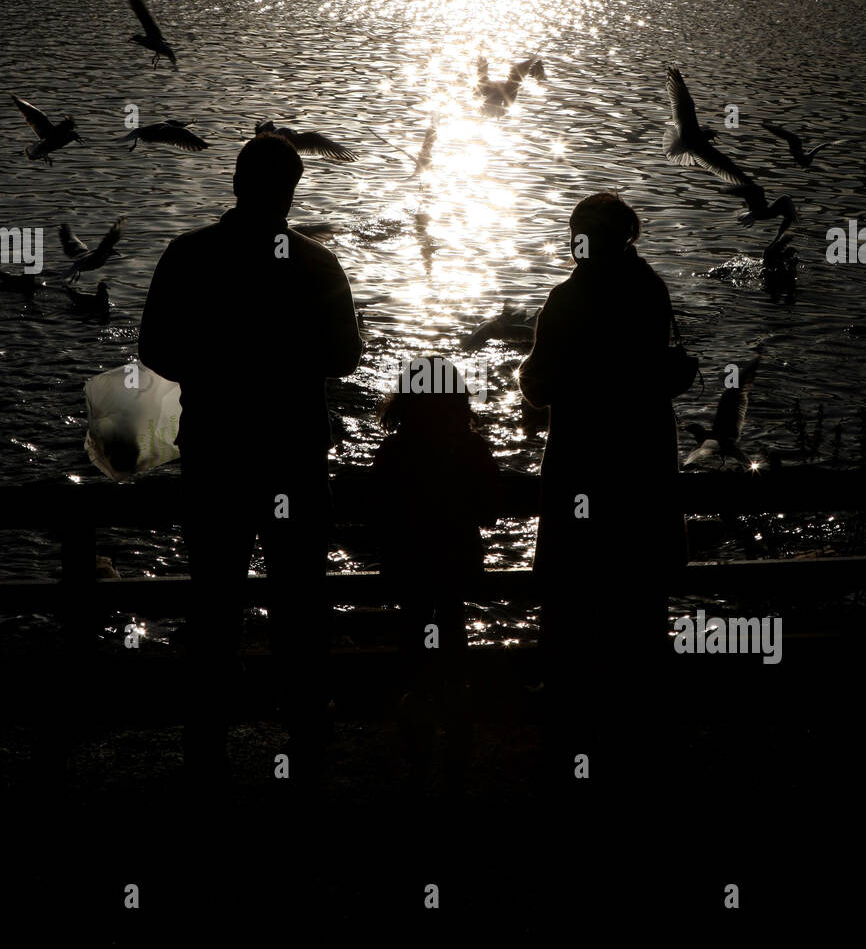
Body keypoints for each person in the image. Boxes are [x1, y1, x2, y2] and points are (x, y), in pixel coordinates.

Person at [139, 133, 362, 784]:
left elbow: (156, 347)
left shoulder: (188, 255)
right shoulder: (317, 265)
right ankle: (306, 729)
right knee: (300, 595)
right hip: (292, 452)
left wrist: (212, 373)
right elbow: (345, 358)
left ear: (236, 184)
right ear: (293, 189)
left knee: (213, 598)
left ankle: (205, 739)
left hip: (217, 451)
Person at [518, 193, 686, 761]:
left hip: (584, 462)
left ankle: (570, 709)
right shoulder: (651, 290)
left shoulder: (568, 299)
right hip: (640, 462)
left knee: (572, 590)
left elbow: (539, 386)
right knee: (638, 595)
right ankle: (637, 713)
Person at [371, 356, 502, 792]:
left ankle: (418, 748)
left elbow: (379, 514)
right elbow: (490, 513)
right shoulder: (470, 448)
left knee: (415, 642)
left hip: (408, 564)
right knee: (453, 639)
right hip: (457, 562)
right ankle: (457, 733)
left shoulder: (394, 450)